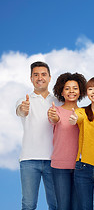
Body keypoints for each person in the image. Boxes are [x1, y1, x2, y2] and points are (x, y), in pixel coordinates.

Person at [16, 61, 58, 210]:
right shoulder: (24, 100)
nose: (40, 77)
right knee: (28, 204)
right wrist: (23, 108)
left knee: (56, 205)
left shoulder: (58, 102)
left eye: (43, 74)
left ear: (49, 77)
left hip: (54, 161)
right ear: (31, 78)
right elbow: (21, 111)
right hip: (29, 160)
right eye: (36, 75)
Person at [48, 72, 87, 210]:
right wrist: (54, 117)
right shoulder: (55, 110)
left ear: (80, 91)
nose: (71, 91)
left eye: (75, 88)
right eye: (67, 88)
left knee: (77, 207)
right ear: (61, 92)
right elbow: (54, 119)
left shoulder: (85, 112)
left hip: (80, 167)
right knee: (63, 206)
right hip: (59, 166)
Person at [69, 77, 94, 210]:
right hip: (83, 167)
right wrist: (74, 119)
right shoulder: (82, 112)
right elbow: (77, 118)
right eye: (90, 89)